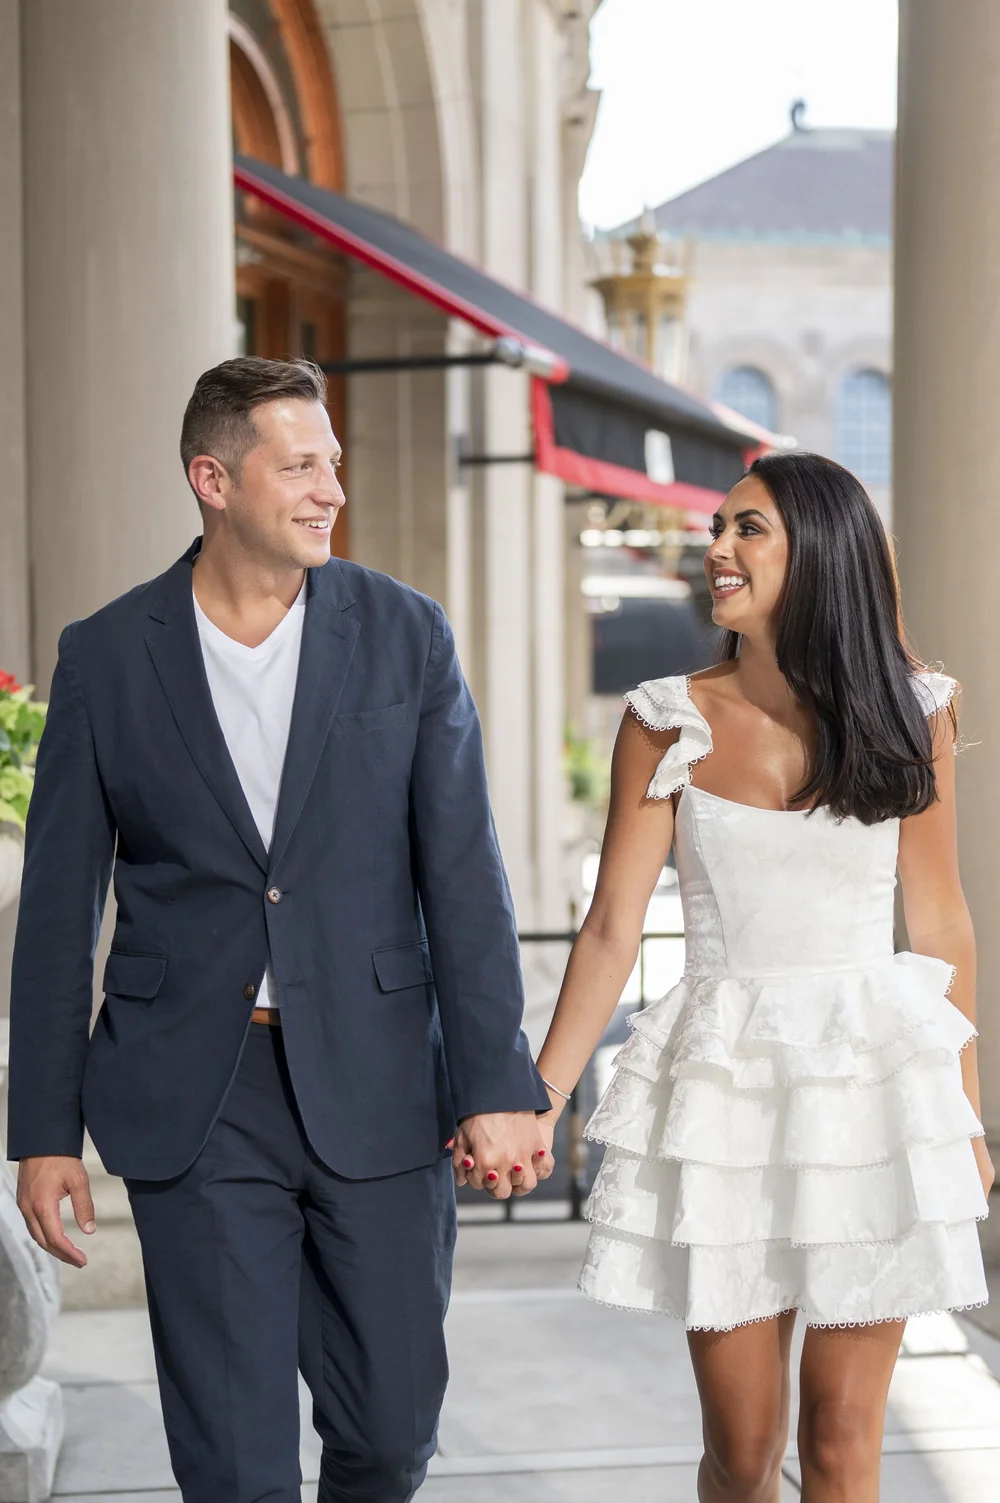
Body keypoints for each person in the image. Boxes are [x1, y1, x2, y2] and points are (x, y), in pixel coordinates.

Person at [8, 356, 551, 1503]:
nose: (330, 490)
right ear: (214, 479)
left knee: (391, 1430)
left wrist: (495, 1080)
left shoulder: (406, 636)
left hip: (381, 1075)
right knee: (237, 1464)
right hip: (197, 1096)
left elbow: (464, 872)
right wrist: (42, 1130)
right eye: (300, 465)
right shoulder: (106, 658)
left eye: (335, 465)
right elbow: (61, 910)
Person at [532, 452, 993, 1502]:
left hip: (870, 1090)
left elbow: (939, 915)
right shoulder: (664, 719)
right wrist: (543, 1092)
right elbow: (610, 926)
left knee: (840, 1446)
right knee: (743, 1455)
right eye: (717, 528)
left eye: (748, 530)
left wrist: (959, 1113)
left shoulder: (915, 711)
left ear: (819, 556)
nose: (716, 550)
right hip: (724, 1093)